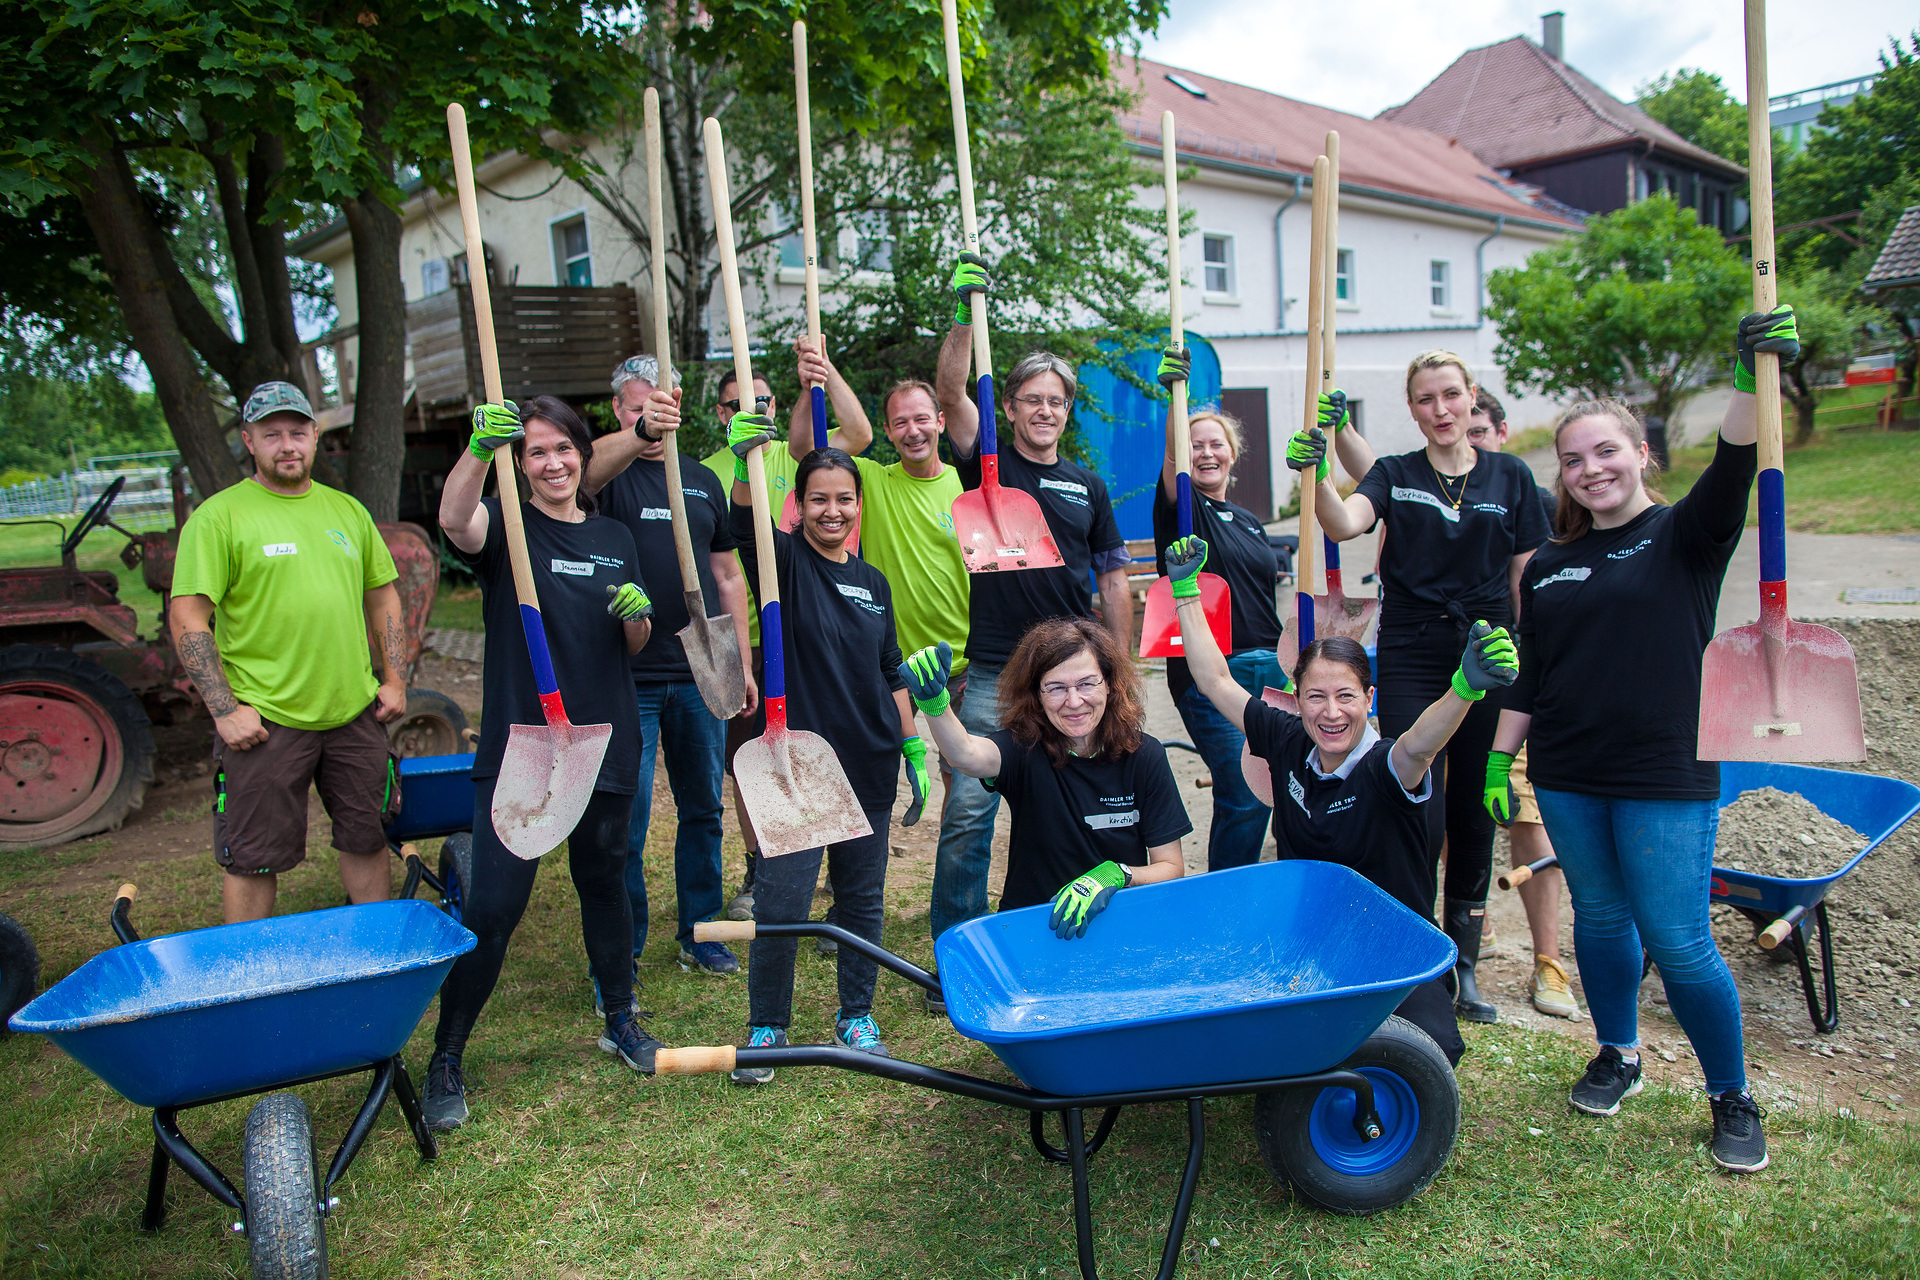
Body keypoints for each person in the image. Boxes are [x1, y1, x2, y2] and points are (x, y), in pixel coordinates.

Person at [1486, 309, 1796, 1174]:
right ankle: (1620, 1053)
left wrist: (1747, 374)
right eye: (1574, 460)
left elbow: (1737, 462)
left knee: (1680, 937)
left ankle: (1731, 1093)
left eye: (1606, 453)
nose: (1590, 470)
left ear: (1643, 454)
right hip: (1570, 772)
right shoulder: (1549, 563)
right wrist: (1496, 758)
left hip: (1664, 773)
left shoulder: (1686, 538)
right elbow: (1531, 675)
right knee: (1602, 918)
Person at [1168, 532, 1520, 1064]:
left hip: (1393, 953)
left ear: (1368, 699)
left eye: (1345, 697)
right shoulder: (1288, 740)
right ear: (1298, 700)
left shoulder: (1386, 766)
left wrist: (1465, 688)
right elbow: (1214, 679)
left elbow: (1421, 743)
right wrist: (1187, 593)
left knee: (1428, 1055)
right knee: (1275, 1049)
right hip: (1312, 943)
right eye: (1315, 697)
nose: (1331, 713)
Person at [423, 396, 659, 1131]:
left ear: (583, 456)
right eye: (535, 452)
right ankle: (446, 1057)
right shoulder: (509, 532)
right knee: (494, 908)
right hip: (525, 744)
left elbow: (637, 645)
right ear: (518, 464)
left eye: (564, 449)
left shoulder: (616, 534)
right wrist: (473, 451)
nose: (554, 463)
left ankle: (620, 1018)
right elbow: (455, 521)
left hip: (603, 740)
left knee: (606, 882)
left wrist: (638, 616)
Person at [1293, 353, 1549, 1024]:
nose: (1440, 409)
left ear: (1471, 401)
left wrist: (1529, 656)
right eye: (1426, 399)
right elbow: (1344, 523)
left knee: (1472, 808)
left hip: (1486, 653)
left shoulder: (1511, 476)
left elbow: (1526, 576)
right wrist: (1312, 474)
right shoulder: (1396, 473)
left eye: (1451, 395)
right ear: (1411, 409)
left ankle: (1463, 966)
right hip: (1409, 653)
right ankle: (1410, 952)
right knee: (1413, 799)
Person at [930, 253, 1131, 961]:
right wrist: (963, 313)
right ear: (1008, 407)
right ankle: (957, 946)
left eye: (1057, 401)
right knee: (969, 812)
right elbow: (950, 388)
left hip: (1075, 672)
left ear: (1066, 412)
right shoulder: (985, 463)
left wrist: (1121, 664)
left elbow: (1113, 579)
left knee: (1080, 812)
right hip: (994, 670)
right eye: (1032, 399)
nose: (1045, 411)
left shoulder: (1087, 485)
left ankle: (1069, 933)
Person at [718, 410, 920, 1083]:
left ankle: (855, 1014)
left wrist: (912, 745)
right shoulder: (785, 566)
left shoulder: (873, 582)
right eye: (818, 500)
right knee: (782, 899)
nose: (831, 511)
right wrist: (748, 471)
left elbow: (890, 667)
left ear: (858, 506)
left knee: (861, 897)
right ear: (798, 505)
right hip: (798, 761)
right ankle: (768, 1026)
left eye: (843, 500)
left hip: (869, 758)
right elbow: (743, 530)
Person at [169, 380, 408, 925]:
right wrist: (225, 710)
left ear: (315, 436)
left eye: (297, 432)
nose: (287, 445)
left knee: (366, 835)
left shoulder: (347, 511)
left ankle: (374, 956)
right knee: (253, 858)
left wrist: (394, 678)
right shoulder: (220, 517)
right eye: (271, 434)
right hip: (266, 719)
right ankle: (254, 979)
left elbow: (383, 596)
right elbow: (188, 616)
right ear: (249, 441)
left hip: (353, 712)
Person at [586, 355, 758, 987]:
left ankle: (700, 932)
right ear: (619, 412)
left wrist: (736, 660)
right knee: (625, 817)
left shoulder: (700, 480)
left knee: (703, 808)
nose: (648, 415)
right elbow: (585, 467)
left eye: (657, 405)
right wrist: (638, 437)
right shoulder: (605, 476)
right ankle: (622, 942)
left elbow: (726, 577)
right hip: (626, 670)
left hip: (697, 667)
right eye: (635, 406)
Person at [704, 354, 868, 921]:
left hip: (801, 633)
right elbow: (740, 542)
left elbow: (855, 436)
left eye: (762, 402)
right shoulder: (707, 471)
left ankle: (825, 865)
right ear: (721, 413)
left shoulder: (795, 459)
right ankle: (764, 864)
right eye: (737, 405)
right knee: (753, 760)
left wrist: (817, 377)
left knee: (819, 749)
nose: (751, 412)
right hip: (741, 638)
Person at [902, 618, 1189, 943]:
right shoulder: (1022, 748)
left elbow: (1170, 867)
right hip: (1035, 925)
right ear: (1036, 695)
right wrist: (935, 704)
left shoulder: (1144, 755)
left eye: (1086, 684)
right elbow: (966, 755)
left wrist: (1116, 874)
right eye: (1056, 688)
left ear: (1109, 684)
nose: (1074, 701)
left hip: (1120, 925)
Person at [790, 371, 969, 828]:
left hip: (961, 665)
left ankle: (951, 898)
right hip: (892, 668)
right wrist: (823, 373)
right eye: (900, 422)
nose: (913, 431)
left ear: (942, 422)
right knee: (863, 775)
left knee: (964, 790)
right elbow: (815, 449)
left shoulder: (964, 487)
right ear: (887, 432)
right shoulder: (870, 480)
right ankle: (847, 869)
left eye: (922, 419)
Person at [1150, 349, 1283, 870]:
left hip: (1269, 668)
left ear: (1233, 452)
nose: (1206, 453)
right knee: (1244, 791)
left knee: (1283, 784)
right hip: (1210, 671)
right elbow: (1171, 461)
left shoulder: (1250, 519)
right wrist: (1175, 399)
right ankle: (1225, 902)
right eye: (1195, 445)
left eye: (1216, 444)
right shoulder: (1183, 511)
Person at [1466, 387, 1575, 1019]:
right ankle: (1458, 946)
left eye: (1481, 432)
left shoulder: (1537, 503)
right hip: (1451, 682)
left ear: (1501, 434)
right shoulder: (1430, 498)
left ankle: (1548, 963)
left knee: (1528, 819)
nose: (1471, 444)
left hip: (1520, 685)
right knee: (1450, 819)